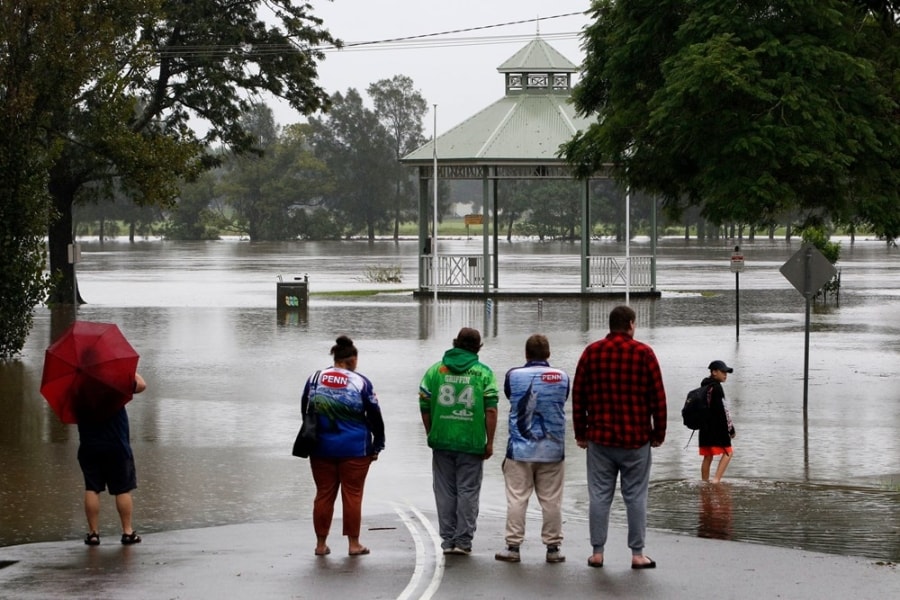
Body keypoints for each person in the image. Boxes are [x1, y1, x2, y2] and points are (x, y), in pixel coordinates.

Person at [572, 305, 667, 570]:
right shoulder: (645, 354)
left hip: (600, 439)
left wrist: (581, 433)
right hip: (636, 438)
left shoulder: (591, 353)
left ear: (610, 324)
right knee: (636, 496)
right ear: (631, 324)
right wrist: (658, 434)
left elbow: (578, 396)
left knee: (600, 495)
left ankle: (597, 552)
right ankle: (637, 554)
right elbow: (658, 398)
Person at [419, 327, 499, 555]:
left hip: (442, 439)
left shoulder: (435, 370)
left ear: (455, 343)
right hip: (471, 442)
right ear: (478, 348)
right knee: (468, 491)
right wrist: (490, 441)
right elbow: (491, 410)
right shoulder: (483, 373)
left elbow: (424, 404)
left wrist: (431, 433)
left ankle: (447, 540)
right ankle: (463, 541)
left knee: (444, 491)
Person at [303, 335, 385, 557]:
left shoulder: (315, 378)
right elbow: (375, 415)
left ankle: (321, 545)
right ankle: (353, 544)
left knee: (323, 494)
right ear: (353, 360)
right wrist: (378, 443)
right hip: (355, 448)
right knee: (353, 494)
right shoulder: (360, 382)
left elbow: (305, 410)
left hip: (320, 447)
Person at [494, 334, 570, 564]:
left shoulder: (513, 375)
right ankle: (553, 548)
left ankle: (513, 547)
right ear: (548, 354)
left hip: (519, 450)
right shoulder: (563, 377)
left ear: (526, 354)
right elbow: (562, 399)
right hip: (553, 450)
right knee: (552, 500)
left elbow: (510, 397)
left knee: (517, 499)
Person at [77, 372, 147, 546]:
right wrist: (128, 370)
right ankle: (127, 532)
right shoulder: (115, 381)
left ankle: (93, 534)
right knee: (123, 489)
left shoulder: (77, 388)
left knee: (92, 488)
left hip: (89, 445)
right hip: (116, 444)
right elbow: (141, 385)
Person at [699, 360, 736, 484]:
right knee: (729, 452)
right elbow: (724, 410)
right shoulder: (717, 388)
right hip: (717, 428)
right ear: (714, 372)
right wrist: (731, 429)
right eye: (723, 372)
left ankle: (704, 483)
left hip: (704, 428)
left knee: (708, 456)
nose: (725, 375)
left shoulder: (704, 385)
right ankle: (716, 481)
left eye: (727, 372)